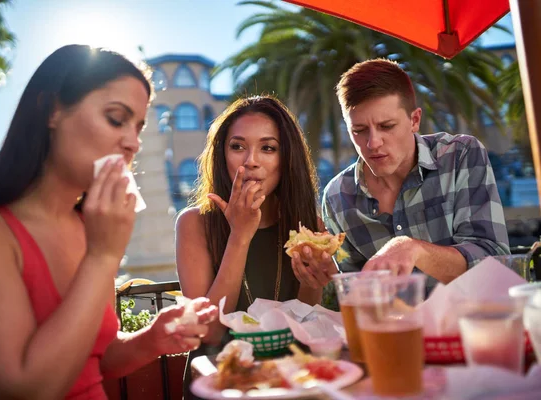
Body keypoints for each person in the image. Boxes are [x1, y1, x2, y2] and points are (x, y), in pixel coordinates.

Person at [0, 45, 217, 400]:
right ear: (52, 109)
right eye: (117, 119)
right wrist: (102, 256)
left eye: (138, 127)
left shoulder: (87, 229)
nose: (132, 142)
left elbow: (92, 361)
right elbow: (25, 389)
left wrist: (151, 340)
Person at [175, 95, 331, 398]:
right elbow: (210, 332)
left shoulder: (307, 225)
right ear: (222, 155)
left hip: (290, 379)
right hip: (221, 381)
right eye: (237, 147)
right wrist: (240, 235)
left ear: (286, 160)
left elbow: (307, 320)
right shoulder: (194, 223)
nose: (251, 161)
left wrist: (313, 282)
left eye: (268, 148)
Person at [322, 58, 510, 292]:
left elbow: (495, 263)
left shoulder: (459, 155)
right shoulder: (337, 197)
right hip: (394, 328)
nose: (373, 143)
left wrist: (413, 249)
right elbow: (356, 294)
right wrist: (325, 276)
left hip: (473, 324)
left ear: (415, 120)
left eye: (387, 126)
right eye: (359, 131)